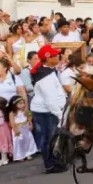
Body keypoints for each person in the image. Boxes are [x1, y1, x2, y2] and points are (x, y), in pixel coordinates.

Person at [30, 45, 68, 174]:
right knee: (49, 139)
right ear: (48, 58)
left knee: (50, 138)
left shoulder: (47, 71)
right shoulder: (45, 76)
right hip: (46, 111)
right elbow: (49, 99)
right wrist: (60, 114)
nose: (58, 56)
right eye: (55, 55)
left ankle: (54, 162)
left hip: (47, 110)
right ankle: (51, 165)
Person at [8, 95, 38, 162]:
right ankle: (20, 155)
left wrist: (30, 123)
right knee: (19, 142)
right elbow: (12, 122)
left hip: (25, 128)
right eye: (20, 103)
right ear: (15, 105)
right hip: (18, 129)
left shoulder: (25, 111)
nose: (23, 105)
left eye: (23, 103)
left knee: (27, 140)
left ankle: (28, 153)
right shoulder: (12, 113)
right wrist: (16, 131)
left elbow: (29, 117)